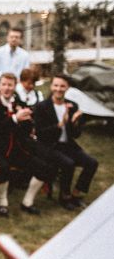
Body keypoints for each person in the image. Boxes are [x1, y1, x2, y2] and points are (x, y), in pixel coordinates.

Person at [0, 73, 57, 217]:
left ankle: (27, 202)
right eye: (3, 84)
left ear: (15, 86)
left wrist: (26, 119)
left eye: (10, 85)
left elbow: (27, 130)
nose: (7, 88)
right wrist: (15, 118)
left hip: (16, 149)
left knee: (43, 167)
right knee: (3, 167)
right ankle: (2, 203)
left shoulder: (18, 103)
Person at [34, 74, 99, 210]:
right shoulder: (42, 107)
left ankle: (76, 194)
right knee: (68, 163)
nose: (59, 89)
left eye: (62, 86)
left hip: (67, 145)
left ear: (67, 87)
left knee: (92, 163)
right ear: (51, 86)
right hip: (49, 146)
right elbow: (40, 134)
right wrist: (60, 124)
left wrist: (75, 123)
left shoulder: (72, 105)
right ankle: (65, 197)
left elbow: (75, 135)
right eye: (56, 85)